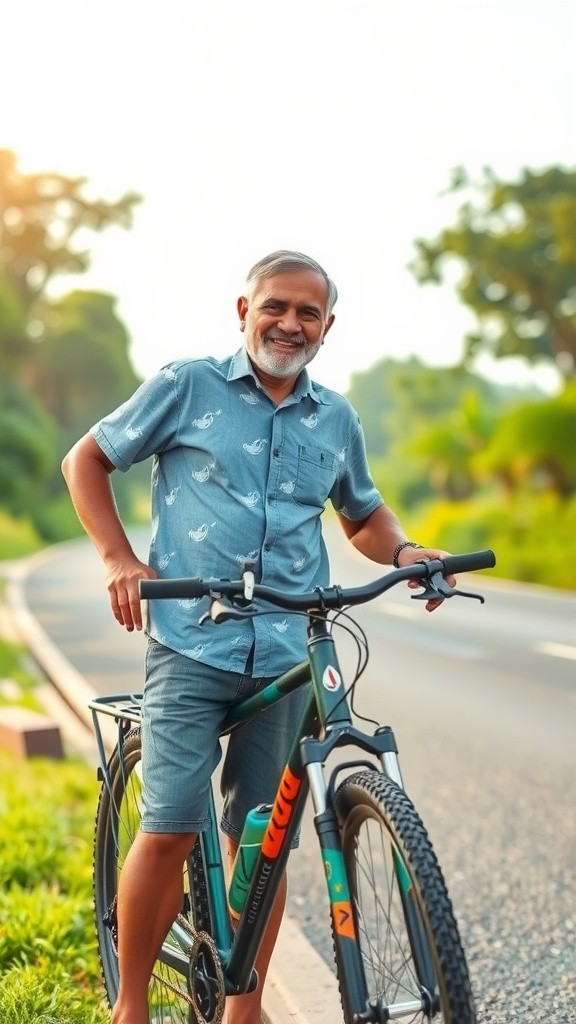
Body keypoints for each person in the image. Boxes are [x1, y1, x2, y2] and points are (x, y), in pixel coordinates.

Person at [61, 250, 454, 1024]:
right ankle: (131, 1005)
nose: (290, 323)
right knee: (171, 827)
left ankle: (244, 1014)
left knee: (264, 846)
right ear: (243, 311)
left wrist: (405, 552)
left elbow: (364, 516)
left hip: (286, 648)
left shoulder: (335, 417)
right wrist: (118, 557)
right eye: (276, 306)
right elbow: (89, 458)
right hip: (190, 643)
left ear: (327, 327)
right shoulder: (188, 386)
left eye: (309, 313)